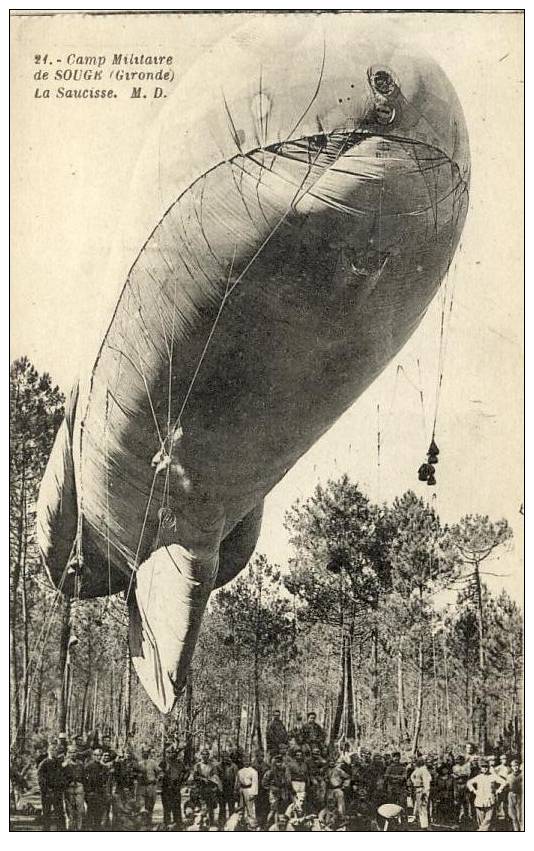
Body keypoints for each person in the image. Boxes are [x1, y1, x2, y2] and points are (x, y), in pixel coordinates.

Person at [466, 758, 507, 831]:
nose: (484, 768)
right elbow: (469, 783)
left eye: (486, 767)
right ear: (481, 768)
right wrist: (474, 791)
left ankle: (480, 830)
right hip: (479, 800)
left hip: (490, 799)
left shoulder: (493, 776)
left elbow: (504, 782)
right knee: (481, 820)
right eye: (483, 767)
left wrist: (498, 790)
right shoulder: (478, 777)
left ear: (488, 767)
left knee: (489, 819)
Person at [37, 743, 66, 831]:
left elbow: (62, 776)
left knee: (60, 813)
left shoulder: (58, 763)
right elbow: (41, 779)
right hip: (47, 793)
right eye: (52, 750)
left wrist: (61, 787)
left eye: (56, 750)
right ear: (48, 751)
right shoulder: (44, 763)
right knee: (47, 814)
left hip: (57, 792)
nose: (54, 752)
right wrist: (47, 790)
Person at [263, 752, 293, 826]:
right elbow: (264, 783)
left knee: (281, 810)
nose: (279, 764)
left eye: (280, 762)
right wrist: (271, 788)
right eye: (277, 762)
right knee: (273, 810)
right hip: (274, 793)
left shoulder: (284, 772)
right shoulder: (270, 772)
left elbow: (287, 782)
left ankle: (279, 825)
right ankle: (268, 825)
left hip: (282, 793)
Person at [160, 745, 186, 828]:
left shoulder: (180, 763)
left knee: (176, 806)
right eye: (170, 752)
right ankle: (167, 824)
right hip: (166, 788)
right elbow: (159, 773)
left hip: (176, 788)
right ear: (167, 753)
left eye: (174, 752)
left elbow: (186, 772)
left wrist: (182, 780)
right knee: (167, 807)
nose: (172, 754)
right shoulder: (163, 762)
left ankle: (178, 824)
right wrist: (162, 777)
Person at [84, 747, 108, 830]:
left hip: (100, 794)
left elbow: (104, 781)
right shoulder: (88, 766)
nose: (98, 757)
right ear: (93, 756)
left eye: (100, 755)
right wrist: (88, 793)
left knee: (99, 814)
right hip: (91, 793)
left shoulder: (103, 767)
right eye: (96, 755)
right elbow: (84, 781)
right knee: (90, 814)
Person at [136, 746, 160, 824]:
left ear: (149, 753)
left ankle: (149, 821)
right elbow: (134, 773)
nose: (145, 753)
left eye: (147, 752)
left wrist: (156, 779)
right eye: (144, 752)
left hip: (151, 786)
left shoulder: (153, 763)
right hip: (141, 786)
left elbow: (160, 772)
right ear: (142, 753)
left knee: (150, 804)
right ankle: (142, 823)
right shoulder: (139, 763)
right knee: (141, 805)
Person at [235, 753, 258, 827]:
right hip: (241, 789)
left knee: (249, 808)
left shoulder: (253, 771)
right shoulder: (240, 771)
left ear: (250, 761)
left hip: (249, 789)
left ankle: (250, 824)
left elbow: (255, 783)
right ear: (242, 761)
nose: (246, 762)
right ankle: (241, 823)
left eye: (247, 761)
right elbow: (237, 782)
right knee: (241, 807)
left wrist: (253, 793)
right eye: (244, 761)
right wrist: (236, 790)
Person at [410, 757, 431, 830]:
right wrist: (415, 783)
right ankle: (421, 823)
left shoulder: (424, 770)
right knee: (419, 807)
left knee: (423, 807)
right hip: (417, 788)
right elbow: (412, 777)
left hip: (422, 789)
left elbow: (427, 782)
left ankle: (424, 825)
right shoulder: (417, 769)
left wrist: (425, 792)